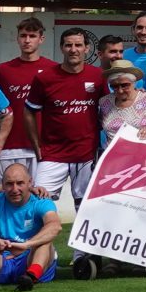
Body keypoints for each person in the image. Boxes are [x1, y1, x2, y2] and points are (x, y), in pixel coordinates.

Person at [25, 27, 105, 210]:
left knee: (86, 210)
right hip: (53, 155)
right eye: (68, 45)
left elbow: (110, 107)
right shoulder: (45, 78)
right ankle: (41, 240)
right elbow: (29, 111)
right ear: (62, 48)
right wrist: (36, 145)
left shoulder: (98, 76)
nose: (73, 49)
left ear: (86, 48)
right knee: (37, 204)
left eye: (78, 45)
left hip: (86, 155)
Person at [0, 159, 65, 292]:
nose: (15, 189)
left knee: (45, 242)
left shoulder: (41, 202)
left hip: (29, 258)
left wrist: (27, 244)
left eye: (20, 183)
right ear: (2, 185)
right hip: (1, 260)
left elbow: (55, 226)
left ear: (30, 183)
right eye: (9, 184)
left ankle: (31, 277)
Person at [0, 15, 52, 180]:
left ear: (41, 39)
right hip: (11, 146)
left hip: (43, 146)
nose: (27, 40)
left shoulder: (52, 69)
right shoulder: (4, 70)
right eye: (23, 35)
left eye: (32, 36)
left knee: (40, 195)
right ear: (17, 38)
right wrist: (5, 121)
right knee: (8, 194)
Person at [99, 60, 146, 145]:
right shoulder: (105, 102)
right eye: (115, 86)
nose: (120, 90)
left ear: (134, 83)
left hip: (143, 153)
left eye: (125, 85)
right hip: (114, 155)